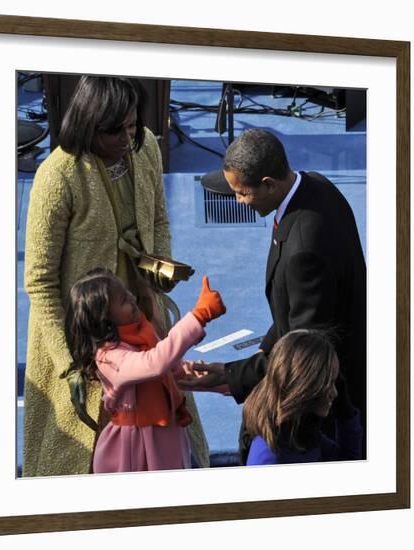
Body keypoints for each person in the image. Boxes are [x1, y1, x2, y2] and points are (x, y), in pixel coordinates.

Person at [22, 76, 210, 477]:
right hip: (82, 335)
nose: (129, 137)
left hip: (139, 314)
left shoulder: (145, 149)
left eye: (131, 125)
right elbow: (39, 281)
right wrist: (70, 364)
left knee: (160, 424)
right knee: (82, 457)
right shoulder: (57, 176)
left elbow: (158, 219)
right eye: (116, 131)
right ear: (90, 126)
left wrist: (157, 275)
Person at [180, 128, 367, 459]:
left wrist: (229, 375)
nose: (238, 201)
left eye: (243, 193)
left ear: (268, 183)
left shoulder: (304, 251)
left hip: (323, 407)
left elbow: (303, 352)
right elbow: (290, 317)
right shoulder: (315, 187)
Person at [64, 269, 226, 472]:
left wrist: (220, 379)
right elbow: (155, 363)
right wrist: (199, 316)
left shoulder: (139, 334)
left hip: (166, 435)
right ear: (105, 320)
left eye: (127, 293)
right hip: (134, 450)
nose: (132, 298)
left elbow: (169, 371)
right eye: (123, 300)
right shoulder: (109, 358)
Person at [243, 329, 362, 465]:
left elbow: (347, 465)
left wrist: (345, 414)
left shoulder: (300, 432)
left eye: (335, 382)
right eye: (327, 384)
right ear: (303, 386)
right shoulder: (269, 458)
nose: (335, 393)